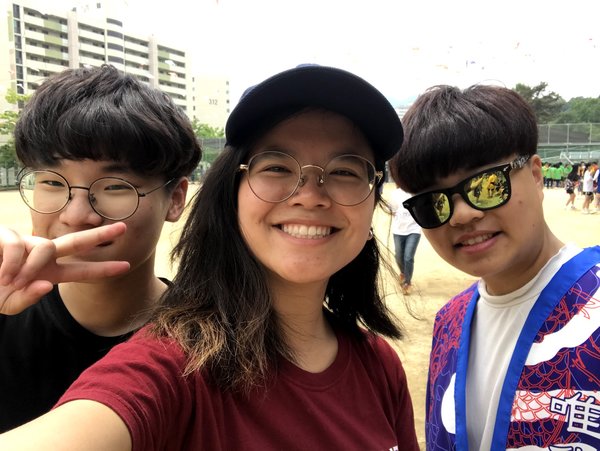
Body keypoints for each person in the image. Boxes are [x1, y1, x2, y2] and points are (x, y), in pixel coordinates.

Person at [0, 65, 419, 450]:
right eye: (276, 167)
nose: (309, 196)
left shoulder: (378, 364)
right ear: (232, 191)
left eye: (346, 171)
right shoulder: (178, 362)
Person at [389, 84, 600, 450]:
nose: (462, 215)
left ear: (535, 176)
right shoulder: (448, 323)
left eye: (487, 184)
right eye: (432, 203)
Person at [0, 65, 201, 432]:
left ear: (175, 199)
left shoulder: (206, 344)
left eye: (114, 187)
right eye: (51, 181)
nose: (77, 215)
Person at [389, 185, 421, 295]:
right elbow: (392, 211)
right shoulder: (395, 194)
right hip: (398, 231)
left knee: (408, 257)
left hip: (414, 230)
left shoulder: (417, 192)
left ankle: (407, 282)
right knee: (398, 255)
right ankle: (403, 272)